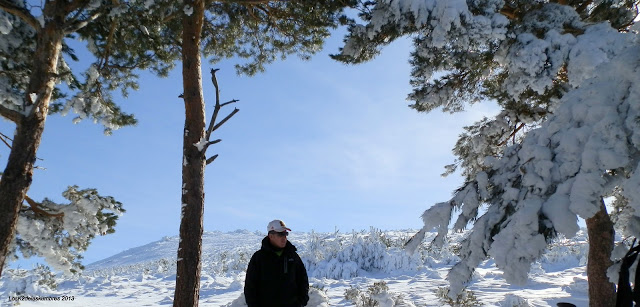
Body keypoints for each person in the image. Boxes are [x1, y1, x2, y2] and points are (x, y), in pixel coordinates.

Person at [244, 219, 309, 307]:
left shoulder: (292, 256)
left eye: (285, 234)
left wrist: (301, 301)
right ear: (271, 236)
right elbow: (250, 286)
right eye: (280, 234)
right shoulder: (259, 258)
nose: (284, 237)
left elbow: (303, 280)